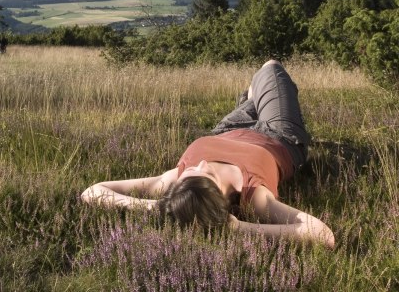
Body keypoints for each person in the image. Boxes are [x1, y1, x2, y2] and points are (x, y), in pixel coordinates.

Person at [81, 60, 335, 249]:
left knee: (252, 94)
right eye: (207, 174)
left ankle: (252, 99)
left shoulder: (176, 181)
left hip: (226, 131)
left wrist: (153, 206)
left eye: (191, 171)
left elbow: (91, 192)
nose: (200, 163)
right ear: (220, 196)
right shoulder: (255, 197)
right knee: (270, 68)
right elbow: (323, 235)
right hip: (277, 135)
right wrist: (241, 228)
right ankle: (257, 98)